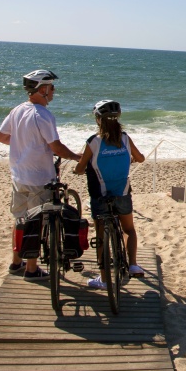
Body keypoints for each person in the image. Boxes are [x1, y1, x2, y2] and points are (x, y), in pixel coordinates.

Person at [0, 69, 82, 281]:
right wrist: (78, 157)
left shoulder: (17, 110)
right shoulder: (42, 114)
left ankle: (16, 262)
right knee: (36, 222)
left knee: (19, 219)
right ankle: (32, 269)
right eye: (52, 87)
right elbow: (56, 147)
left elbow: (1, 136)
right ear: (43, 89)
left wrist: (23, 143)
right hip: (39, 178)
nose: (53, 92)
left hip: (18, 175)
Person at [73, 99, 146, 290]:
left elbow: (80, 168)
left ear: (98, 120)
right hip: (122, 192)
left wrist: (78, 169)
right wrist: (127, 158)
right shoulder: (125, 138)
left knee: (100, 235)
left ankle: (104, 280)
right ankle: (133, 264)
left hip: (100, 196)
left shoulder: (94, 142)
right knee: (128, 229)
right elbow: (141, 158)